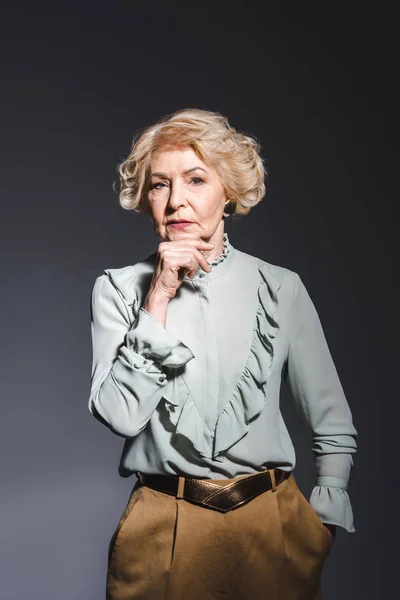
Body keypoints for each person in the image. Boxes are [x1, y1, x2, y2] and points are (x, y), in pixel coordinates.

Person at [88, 108, 358, 600]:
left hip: (273, 525)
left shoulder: (281, 289)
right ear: (145, 198)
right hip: (162, 527)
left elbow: (332, 422)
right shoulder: (119, 289)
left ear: (229, 192)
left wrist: (323, 523)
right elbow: (120, 415)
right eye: (159, 185)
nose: (176, 202)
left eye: (196, 179)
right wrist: (160, 297)